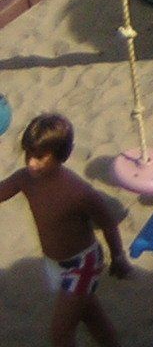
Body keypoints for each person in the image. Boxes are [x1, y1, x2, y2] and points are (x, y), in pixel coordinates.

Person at [0, 113, 130, 347]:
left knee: (60, 336)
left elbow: (108, 223)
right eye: (28, 154)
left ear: (61, 155)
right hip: (55, 264)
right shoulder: (24, 179)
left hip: (82, 265)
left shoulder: (79, 192)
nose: (31, 162)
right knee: (91, 316)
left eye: (39, 157)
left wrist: (118, 256)